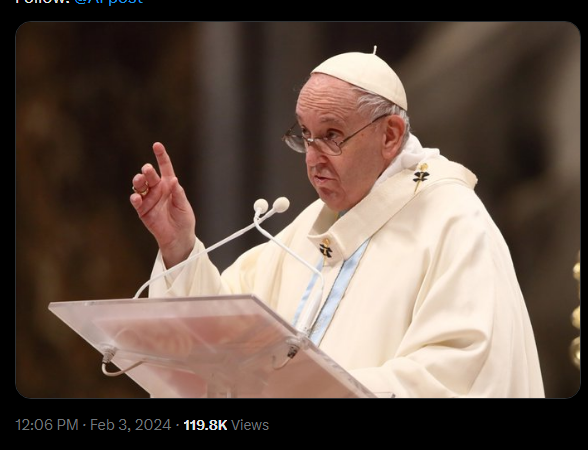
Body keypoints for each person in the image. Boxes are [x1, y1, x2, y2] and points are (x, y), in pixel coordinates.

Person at [129, 50, 545, 398]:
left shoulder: (453, 221)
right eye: (305, 134)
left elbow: (457, 374)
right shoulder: (312, 227)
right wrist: (179, 247)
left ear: (390, 135)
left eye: (332, 136)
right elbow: (225, 336)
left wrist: (317, 390)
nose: (313, 159)